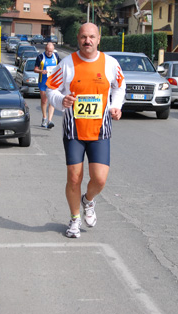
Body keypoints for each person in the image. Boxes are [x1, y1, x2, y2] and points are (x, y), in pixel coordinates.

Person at [46, 23, 125, 238]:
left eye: (91, 37)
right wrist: (62, 99)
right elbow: (50, 88)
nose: (87, 41)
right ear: (78, 39)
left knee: (99, 179)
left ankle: (88, 200)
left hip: (100, 130)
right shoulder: (67, 64)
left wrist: (116, 106)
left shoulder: (110, 63)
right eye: (83, 37)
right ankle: (74, 220)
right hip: (74, 130)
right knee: (74, 177)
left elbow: (119, 87)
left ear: (99, 39)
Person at [34, 42, 60, 129]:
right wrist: (42, 71)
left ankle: (50, 120)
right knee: (44, 100)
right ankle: (44, 118)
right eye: (48, 51)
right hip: (43, 82)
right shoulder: (40, 57)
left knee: (52, 101)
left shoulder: (56, 56)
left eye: (51, 51)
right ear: (45, 50)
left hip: (53, 82)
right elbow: (35, 69)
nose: (49, 53)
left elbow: (60, 67)